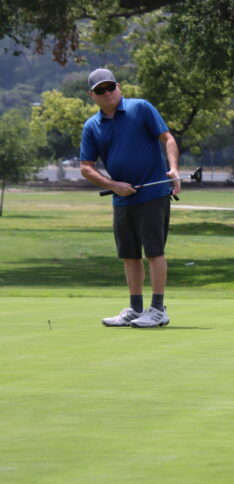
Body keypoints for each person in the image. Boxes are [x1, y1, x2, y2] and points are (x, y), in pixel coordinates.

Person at [80, 68, 180, 328]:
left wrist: (174, 169)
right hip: (122, 197)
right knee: (129, 255)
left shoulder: (141, 108)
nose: (107, 93)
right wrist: (113, 185)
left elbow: (167, 138)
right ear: (92, 95)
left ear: (118, 86)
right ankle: (135, 309)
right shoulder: (92, 126)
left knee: (154, 251)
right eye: (100, 90)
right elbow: (86, 167)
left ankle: (158, 309)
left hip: (153, 193)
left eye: (110, 87)